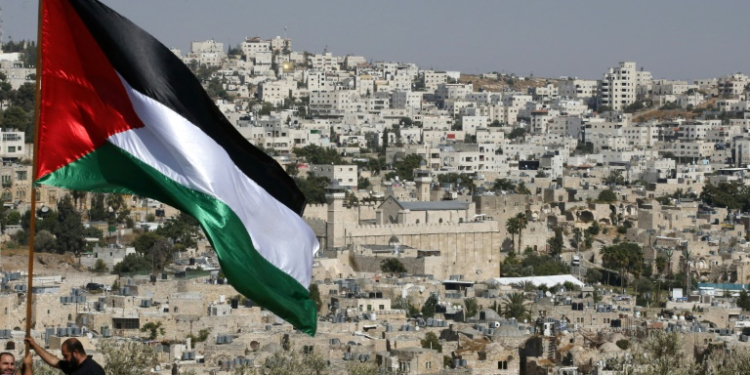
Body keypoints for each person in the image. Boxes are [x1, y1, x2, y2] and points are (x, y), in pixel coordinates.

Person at [25, 337, 104, 375]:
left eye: (66, 356)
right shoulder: (74, 365)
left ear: (75, 352)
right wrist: (34, 346)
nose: (64, 359)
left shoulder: (94, 371)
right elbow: (54, 361)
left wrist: (27, 366)